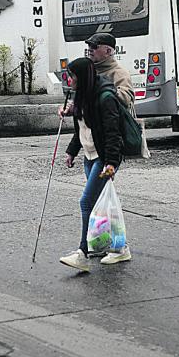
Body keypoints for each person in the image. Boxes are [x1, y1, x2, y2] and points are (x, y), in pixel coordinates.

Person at [59, 57, 130, 272]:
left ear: (83, 77)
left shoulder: (105, 97)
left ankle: (83, 252)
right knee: (102, 207)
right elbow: (83, 128)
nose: (70, 80)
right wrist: (72, 151)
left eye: (73, 76)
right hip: (90, 156)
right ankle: (118, 247)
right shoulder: (83, 97)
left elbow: (112, 134)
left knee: (86, 202)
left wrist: (110, 163)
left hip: (103, 158)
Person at [59, 33, 133, 120]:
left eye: (94, 46)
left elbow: (126, 100)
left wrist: (102, 89)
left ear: (108, 51)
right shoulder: (89, 71)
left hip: (112, 126)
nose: (90, 50)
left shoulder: (120, 73)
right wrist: (71, 107)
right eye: (89, 46)